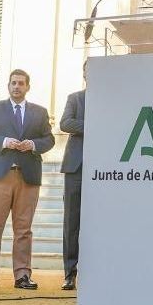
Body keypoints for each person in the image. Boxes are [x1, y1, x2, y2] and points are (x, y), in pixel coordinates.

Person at [0, 69, 56, 291]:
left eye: (21, 83)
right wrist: (4, 141)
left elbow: (49, 139)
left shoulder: (39, 112)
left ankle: (22, 276)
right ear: (8, 86)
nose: (16, 87)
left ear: (28, 86)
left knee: (24, 229)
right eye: (13, 83)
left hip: (27, 176)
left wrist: (34, 145)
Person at [58, 66, 86, 291]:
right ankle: (70, 273)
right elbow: (65, 123)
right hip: (75, 168)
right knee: (72, 222)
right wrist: (93, 126)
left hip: (105, 170)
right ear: (85, 73)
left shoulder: (112, 100)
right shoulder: (75, 98)